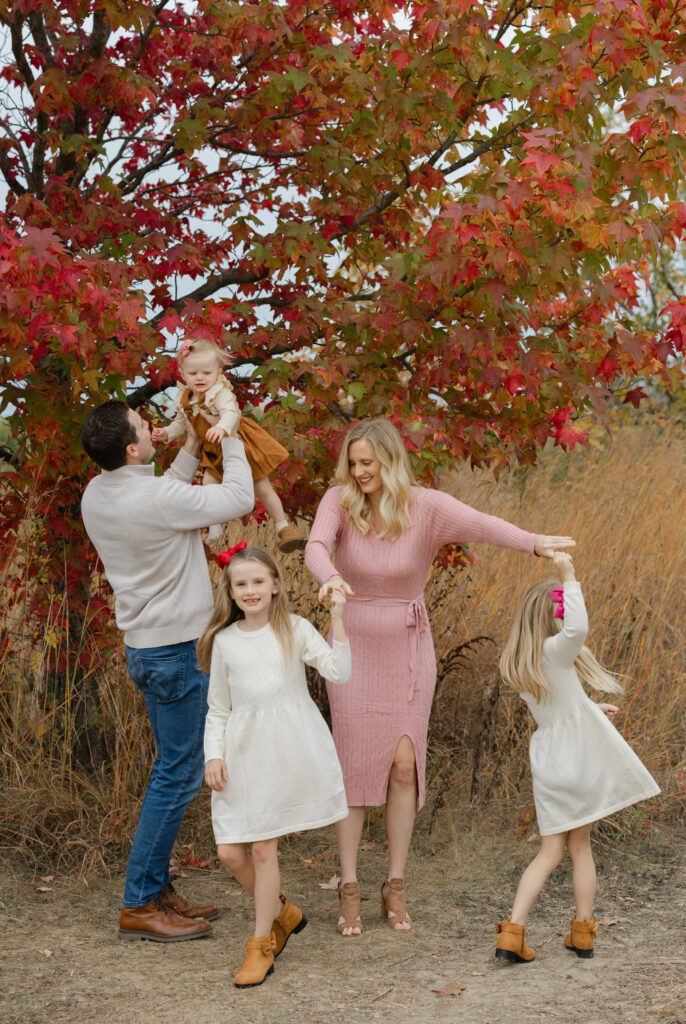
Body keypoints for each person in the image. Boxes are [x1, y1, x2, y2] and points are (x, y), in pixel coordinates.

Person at [305, 417, 576, 937]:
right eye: (353, 463)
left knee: (404, 766)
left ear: (390, 460)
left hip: (408, 645)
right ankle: (349, 884)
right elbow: (317, 546)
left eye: (369, 462)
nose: (360, 472)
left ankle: (396, 882)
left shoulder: (423, 505)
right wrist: (331, 576)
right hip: (353, 646)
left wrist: (533, 543)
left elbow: (482, 524)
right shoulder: (338, 501)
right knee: (356, 771)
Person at [80, 399, 254, 941]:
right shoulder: (156, 498)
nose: (150, 426)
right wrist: (229, 434)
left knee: (170, 771)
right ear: (132, 449)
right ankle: (139, 903)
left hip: (146, 648)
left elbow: (168, 489)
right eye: (142, 427)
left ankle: (156, 890)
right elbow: (241, 497)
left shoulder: (98, 491)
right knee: (176, 777)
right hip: (178, 652)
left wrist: (186, 441)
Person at [494, 551, 660, 962]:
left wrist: (591, 709)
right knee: (580, 848)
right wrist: (569, 575)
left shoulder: (519, 662)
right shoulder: (557, 648)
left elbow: (560, 705)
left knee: (548, 853)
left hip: (550, 758)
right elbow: (579, 628)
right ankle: (583, 931)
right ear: (553, 616)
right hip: (579, 759)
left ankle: (512, 933)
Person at [198, 544, 351, 987]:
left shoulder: (295, 629)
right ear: (230, 591)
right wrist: (213, 753)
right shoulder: (225, 642)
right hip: (240, 754)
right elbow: (218, 709)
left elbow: (338, 672)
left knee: (264, 850)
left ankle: (261, 943)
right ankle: (283, 912)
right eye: (241, 584)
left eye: (258, 582)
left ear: (276, 586)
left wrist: (338, 619)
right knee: (230, 852)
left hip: (283, 753)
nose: (250, 590)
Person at [152, 337, 305, 552]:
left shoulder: (220, 392)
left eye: (206, 373)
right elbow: (182, 424)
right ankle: (214, 525)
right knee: (208, 483)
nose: (200, 378)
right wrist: (165, 433)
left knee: (261, 486)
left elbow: (231, 413)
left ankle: (283, 527)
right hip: (213, 449)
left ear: (218, 372)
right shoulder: (185, 398)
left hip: (238, 442)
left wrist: (222, 427)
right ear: (182, 374)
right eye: (193, 373)